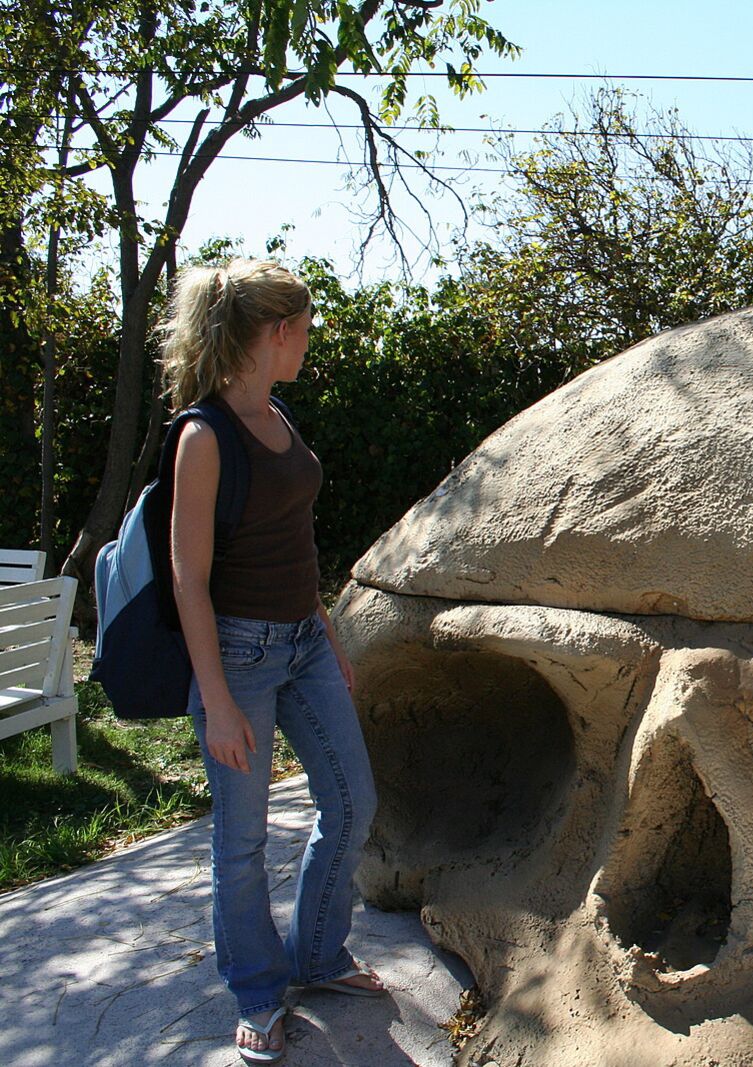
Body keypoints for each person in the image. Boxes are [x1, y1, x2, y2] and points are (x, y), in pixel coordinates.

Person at [162, 259, 383, 1063]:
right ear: (278, 332)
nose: (309, 341)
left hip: (301, 643)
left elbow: (294, 535)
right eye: (306, 327)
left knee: (353, 801)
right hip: (238, 655)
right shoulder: (203, 436)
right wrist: (216, 700)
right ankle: (258, 991)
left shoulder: (279, 417)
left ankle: (318, 956)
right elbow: (189, 575)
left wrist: (323, 627)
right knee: (242, 841)